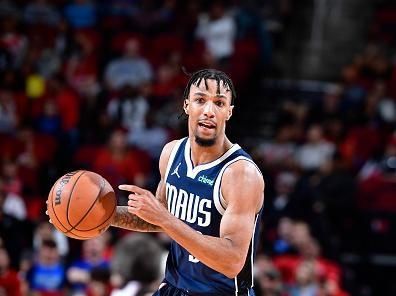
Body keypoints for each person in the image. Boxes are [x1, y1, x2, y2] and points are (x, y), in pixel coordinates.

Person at [49, 68, 265, 295]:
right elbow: (158, 217)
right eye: (200, 100)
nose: (209, 111)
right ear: (186, 105)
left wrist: (165, 219)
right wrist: (101, 214)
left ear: (229, 112)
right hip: (175, 287)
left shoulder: (241, 175)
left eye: (219, 103)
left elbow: (232, 262)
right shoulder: (171, 154)